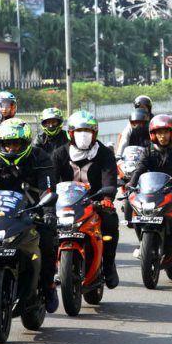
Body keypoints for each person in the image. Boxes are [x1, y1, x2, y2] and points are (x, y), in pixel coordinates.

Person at [0, 118, 59, 313]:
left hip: (34, 211)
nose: (11, 148)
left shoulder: (40, 158)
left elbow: (47, 188)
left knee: (47, 242)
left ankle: (49, 286)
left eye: (16, 144)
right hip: (4, 213)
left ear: (25, 143)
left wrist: (49, 213)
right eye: (7, 144)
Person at [51, 110, 120, 288]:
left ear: (95, 133)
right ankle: (49, 271)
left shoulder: (104, 153)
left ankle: (109, 265)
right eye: (79, 131)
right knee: (45, 227)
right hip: (64, 203)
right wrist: (48, 199)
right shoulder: (59, 154)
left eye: (88, 131)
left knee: (110, 222)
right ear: (70, 133)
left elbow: (109, 177)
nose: (83, 135)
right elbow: (51, 181)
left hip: (94, 202)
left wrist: (107, 198)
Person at [128, 114, 172, 262]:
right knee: (138, 214)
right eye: (159, 132)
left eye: (166, 132)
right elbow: (139, 170)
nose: (162, 136)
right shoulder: (148, 151)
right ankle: (142, 244)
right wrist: (131, 185)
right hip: (153, 192)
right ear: (153, 134)